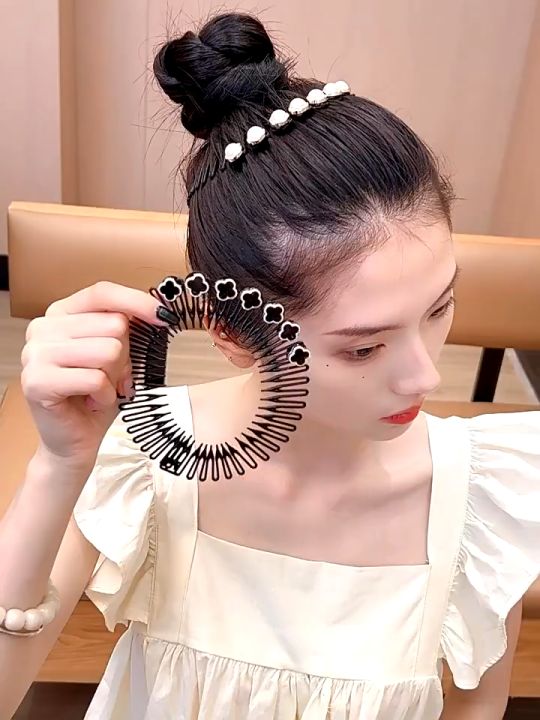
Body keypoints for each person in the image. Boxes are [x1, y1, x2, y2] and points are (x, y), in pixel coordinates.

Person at [1, 11, 539, 720]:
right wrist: (58, 466)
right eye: (363, 347)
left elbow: (478, 708)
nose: (424, 378)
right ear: (231, 333)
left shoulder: (481, 498)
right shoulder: (142, 462)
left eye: (440, 308)